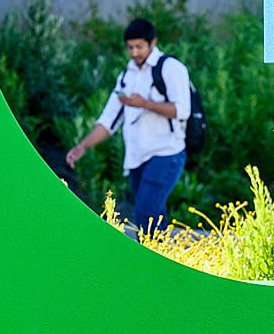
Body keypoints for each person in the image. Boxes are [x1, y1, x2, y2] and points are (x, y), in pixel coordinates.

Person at [65, 18, 192, 234]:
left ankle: (154, 264)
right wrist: (83, 146)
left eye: (139, 46)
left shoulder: (171, 68)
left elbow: (182, 111)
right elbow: (109, 120)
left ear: (153, 43)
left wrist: (145, 104)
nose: (134, 52)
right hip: (136, 159)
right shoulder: (126, 76)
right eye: (130, 47)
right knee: (151, 215)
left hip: (165, 153)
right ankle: (161, 260)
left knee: (146, 214)